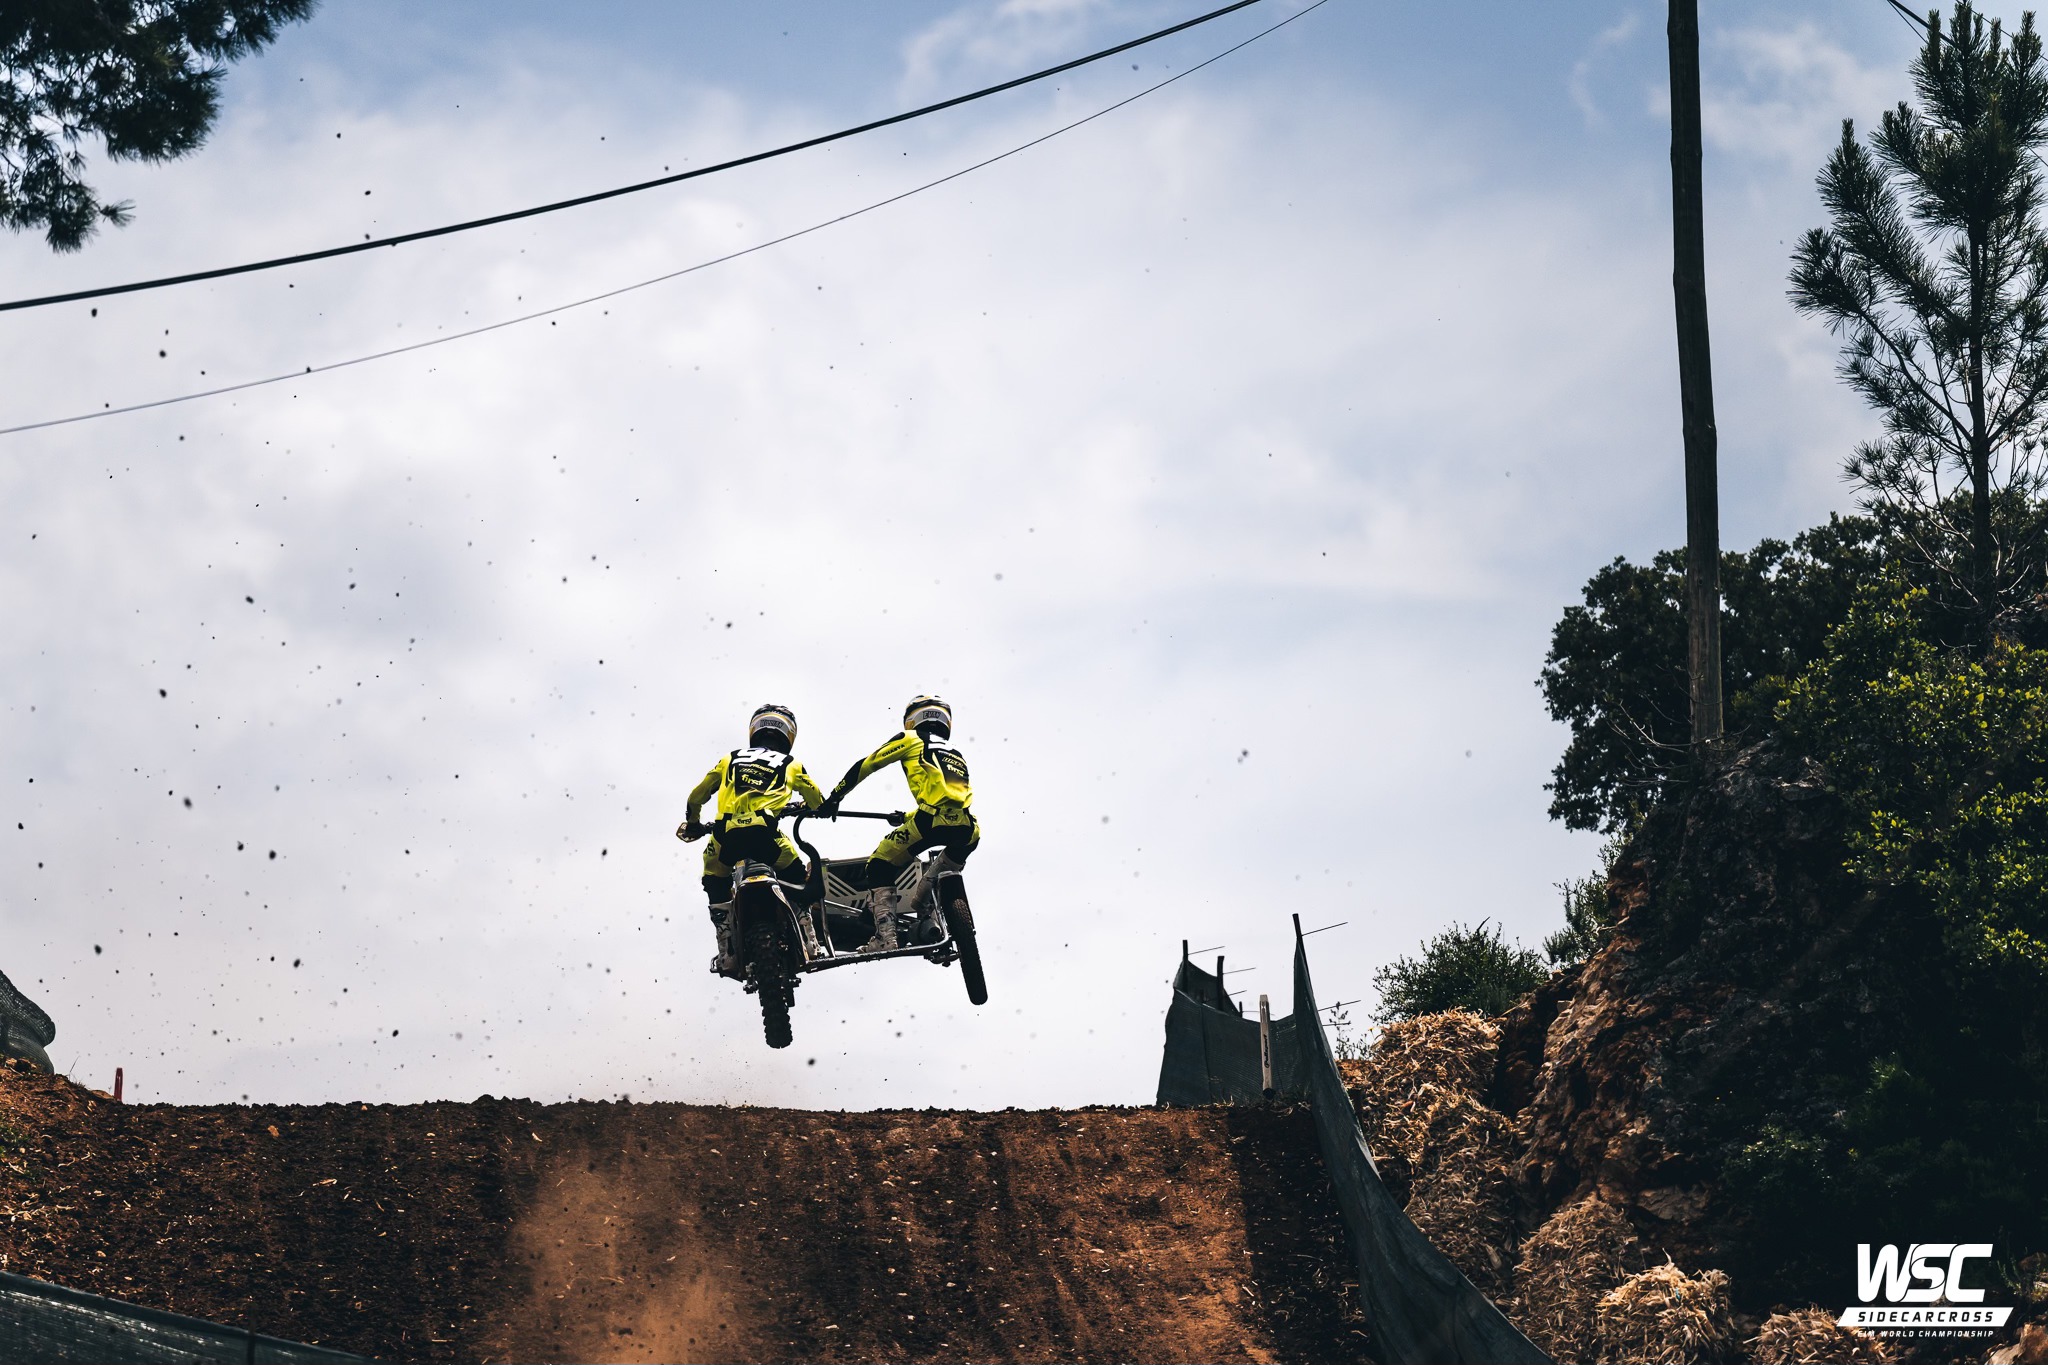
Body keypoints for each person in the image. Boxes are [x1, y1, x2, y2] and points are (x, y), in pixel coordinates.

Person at [678, 703, 827, 973]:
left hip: (724, 837)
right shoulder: (791, 764)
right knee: (796, 874)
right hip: (767, 835)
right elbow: (816, 799)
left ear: (755, 729)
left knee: (714, 880)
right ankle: (810, 942)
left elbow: (696, 796)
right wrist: (817, 808)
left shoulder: (729, 759)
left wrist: (693, 824)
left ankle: (726, 950)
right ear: (789, 735)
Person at [824, 695, 978, 948]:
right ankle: (926, 899)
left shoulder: (910, 738)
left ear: (913, 718)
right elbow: (947, 800)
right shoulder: (954, 752)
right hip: (968, 828)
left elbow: (867, 765)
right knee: (939, 868)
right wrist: (905, 817)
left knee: (878, 864)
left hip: (929, 821)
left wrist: (834, 797)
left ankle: (886, 936)